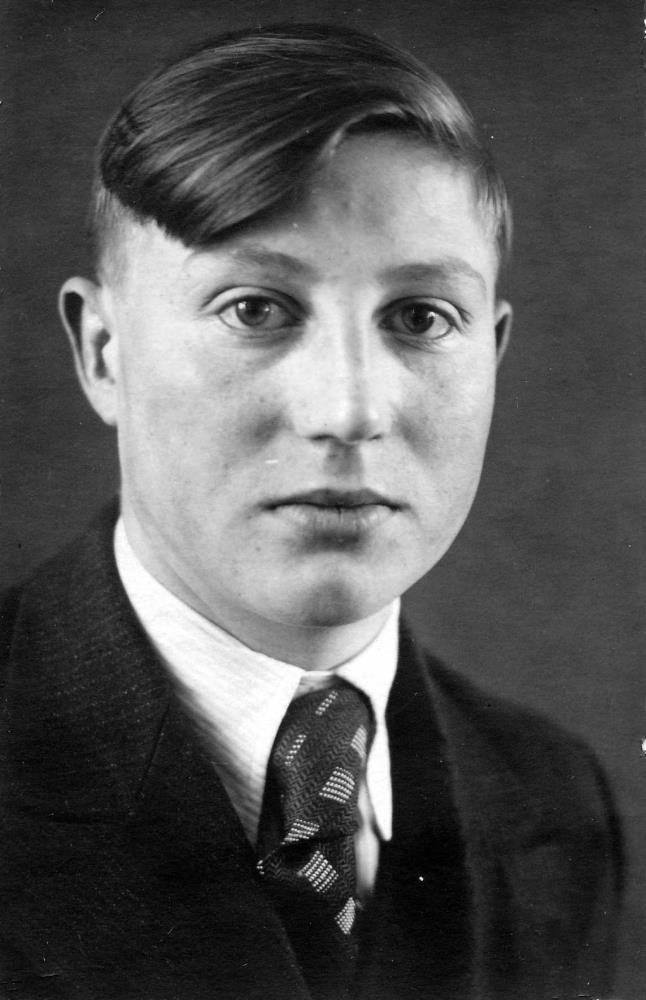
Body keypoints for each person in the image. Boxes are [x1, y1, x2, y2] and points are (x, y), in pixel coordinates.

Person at [0, 23, 623, 1000]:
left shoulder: (554, 796)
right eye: (255, 308)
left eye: (420, 318)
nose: (350, 409)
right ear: (102, 353)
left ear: (493, 355)